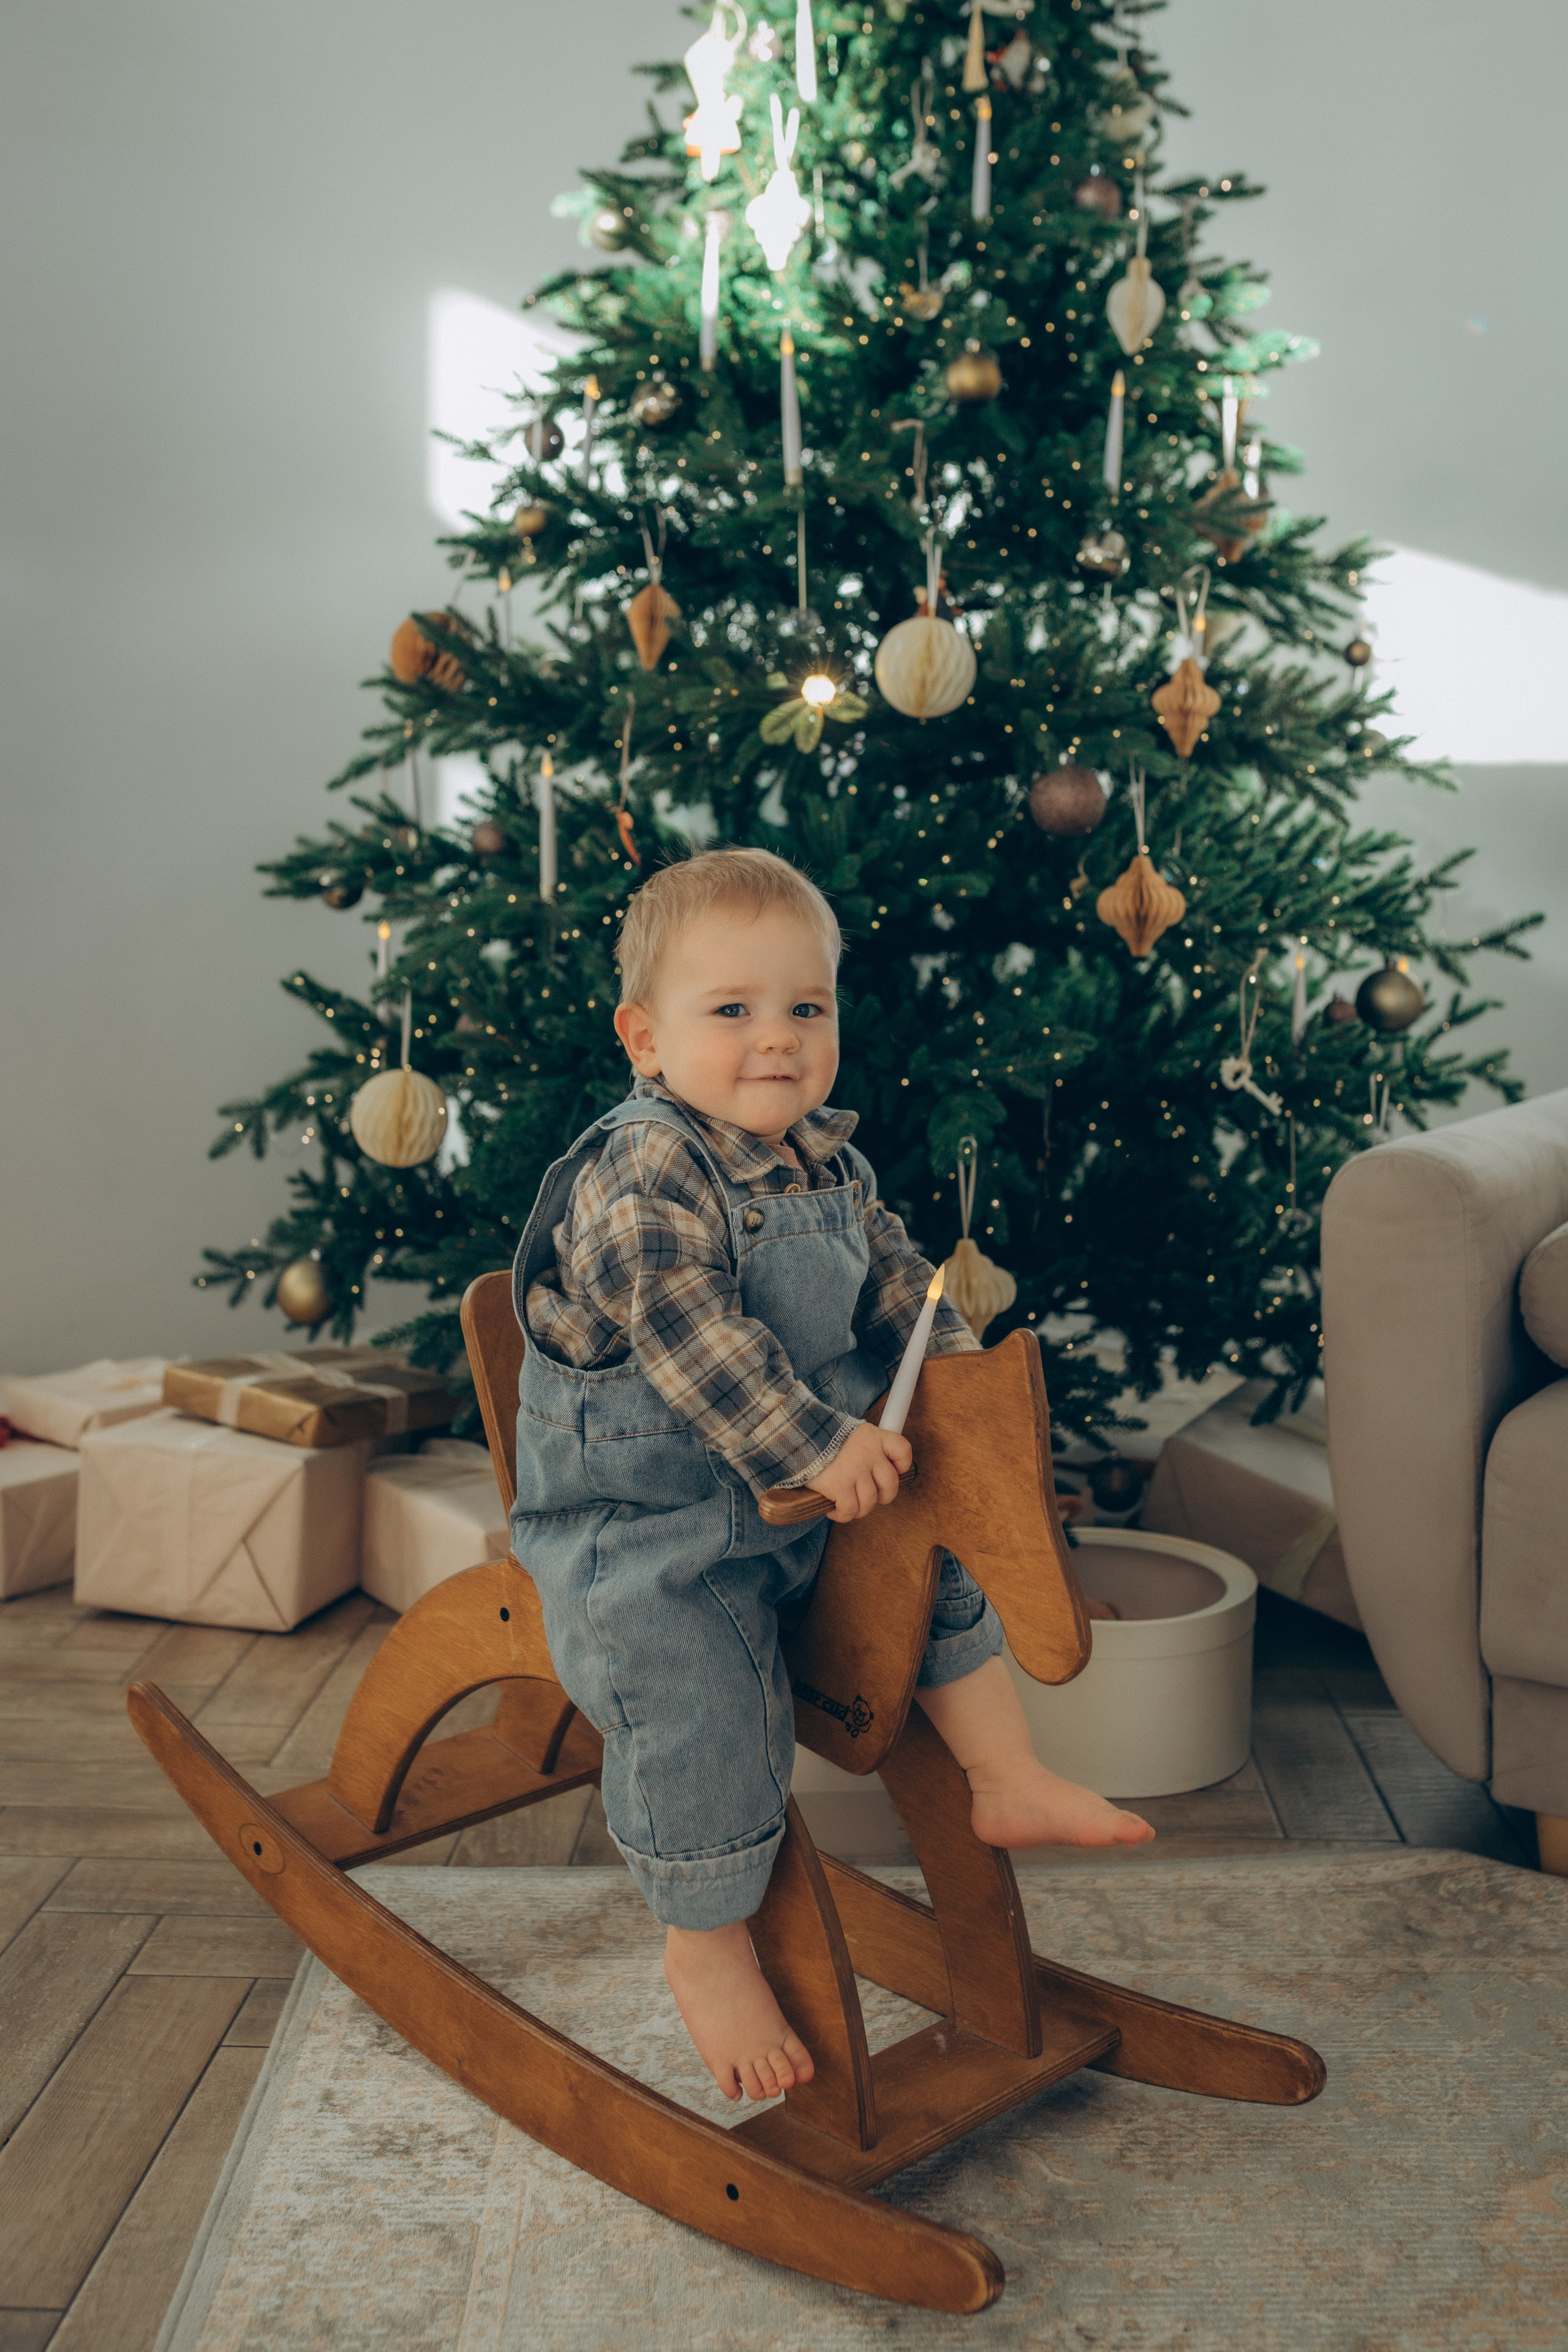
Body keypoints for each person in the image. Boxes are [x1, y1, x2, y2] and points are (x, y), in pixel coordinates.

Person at [510, 848, 1153, 2105]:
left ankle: (1002, 1775)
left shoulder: (829, 1167)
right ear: (645, 1038)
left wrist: (959, 1402)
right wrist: (816, 1443)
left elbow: (905, 1295)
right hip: (648, 1523)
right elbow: (693, 1337)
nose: (776, 1042)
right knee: (696, 1696)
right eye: (731, 1011)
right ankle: (704, 1941)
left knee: (936, 1557)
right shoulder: (645, 1169)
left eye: (805, 1008)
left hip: (810, 1497)